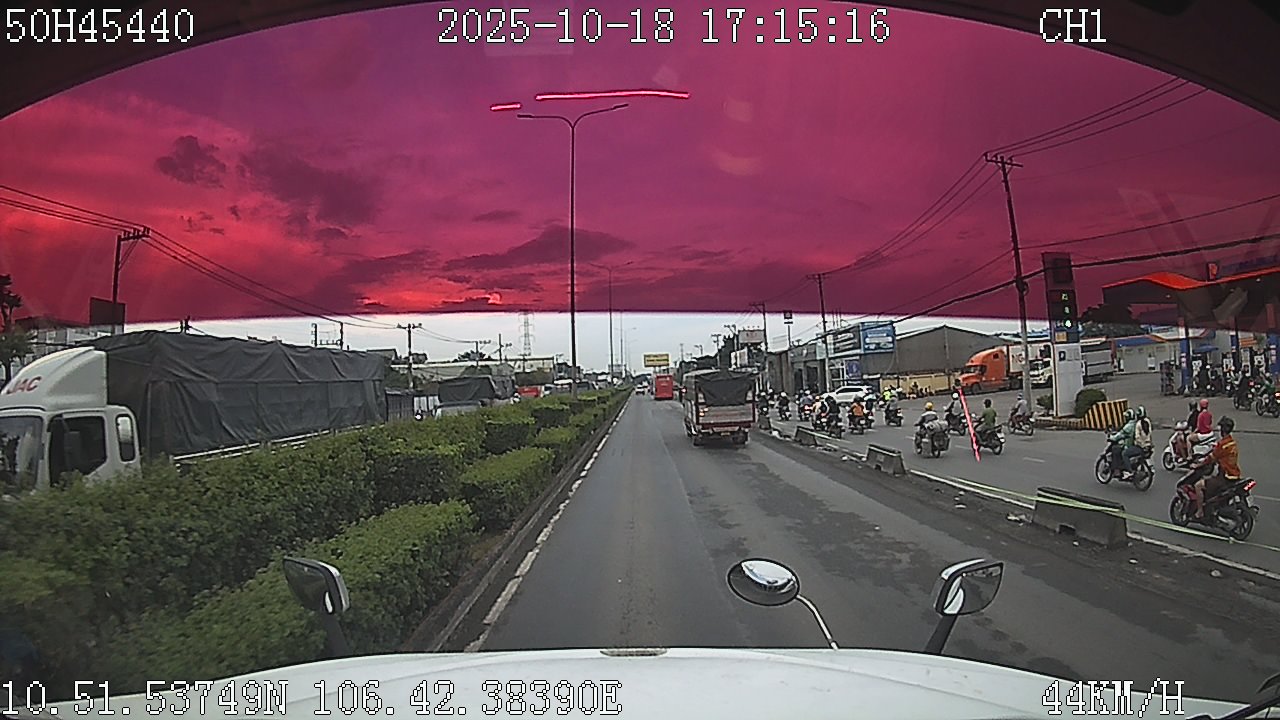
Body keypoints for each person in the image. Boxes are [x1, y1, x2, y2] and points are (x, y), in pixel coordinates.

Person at [1190, 416, 1241, 520]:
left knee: (1198, 485)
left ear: (1223, 430)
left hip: (1224, 477)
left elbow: (1210, 458)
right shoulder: (1233, 443)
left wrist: (1197, 465)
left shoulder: (1222, 445)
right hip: (1235, 476)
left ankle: (1200, 512)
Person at [1108, 409, 1138, 479]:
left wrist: (1111, 437)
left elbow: (1120, 435)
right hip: (1134, 444)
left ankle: (1117, 470)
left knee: (1115, 449)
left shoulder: (1128, 426)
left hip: (1128, 445)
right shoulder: (1135, 424)